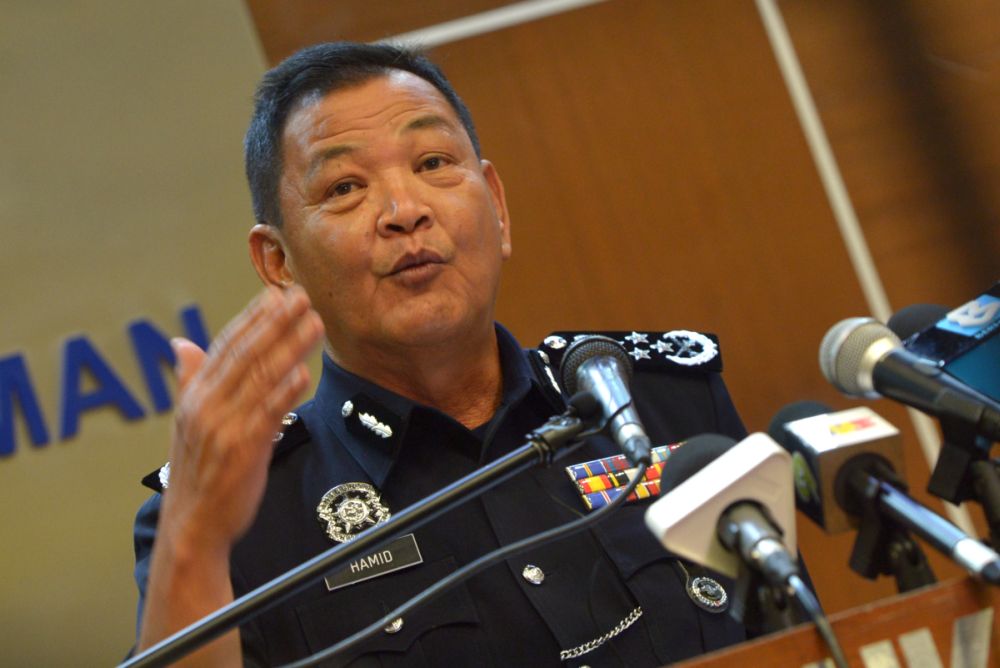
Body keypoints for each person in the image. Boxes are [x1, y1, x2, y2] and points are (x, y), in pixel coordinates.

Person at [132, 41, 751, 667]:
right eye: (345, 186)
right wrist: (198, 539)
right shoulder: (233, 516)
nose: (406, 211)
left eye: (432, 162)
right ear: (279, 263)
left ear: (498, 208)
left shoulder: (656, 397)